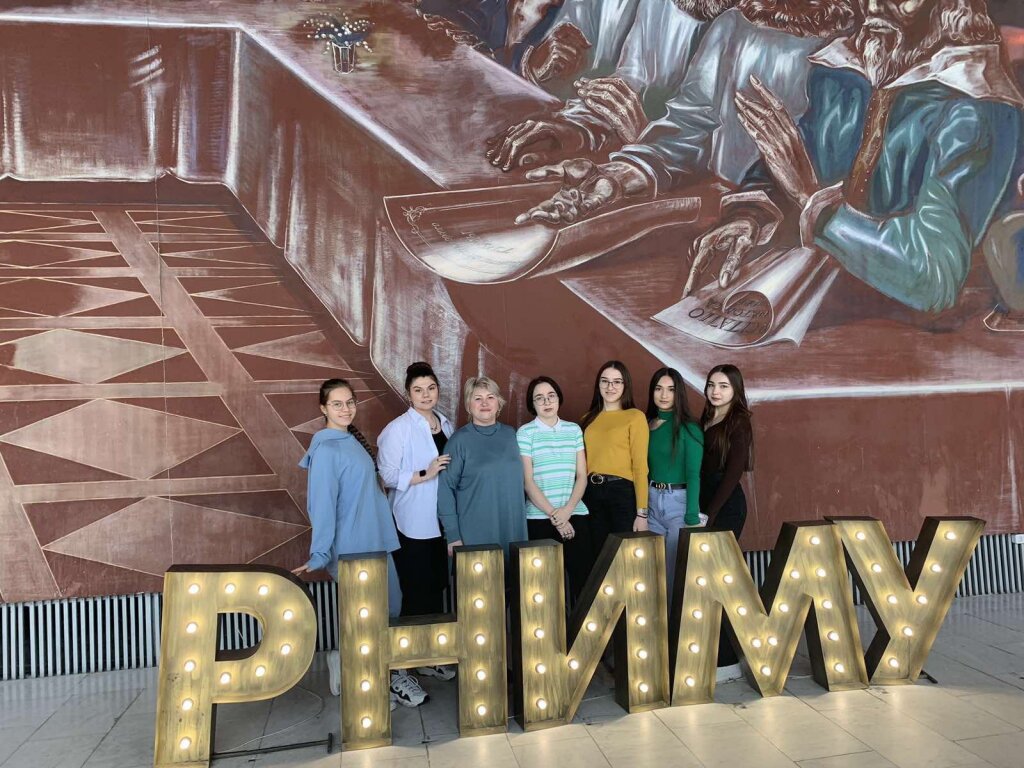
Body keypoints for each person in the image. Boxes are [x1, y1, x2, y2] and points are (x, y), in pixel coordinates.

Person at [691, 0, 1024, 310]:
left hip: (915, 331)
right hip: (825, 297)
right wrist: (750, 215)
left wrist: (812, 201)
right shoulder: (844, 75)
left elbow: (934, 279)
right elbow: (798, 161)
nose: (875, 5)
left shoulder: (973, 109)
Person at [292, 379, 426, 708]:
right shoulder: (325, 450)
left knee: (390, 609)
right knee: (367, 618)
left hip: (377, 540)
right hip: (353, 548)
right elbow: (321, 504)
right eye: (337, 404)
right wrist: (320, 552)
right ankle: (371, 685)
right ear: (323, 408)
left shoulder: (351, 440)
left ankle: (373, 671)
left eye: (350, 402)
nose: (345, 409)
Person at [377, 362, 457, 683]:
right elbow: (387, 475)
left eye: (431, 388)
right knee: (415, 592)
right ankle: (403, 666)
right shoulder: (397, 429)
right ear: (408, 394)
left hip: (442, 522)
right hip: (412, 521)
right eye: (418, 390)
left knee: (436, 588)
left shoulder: (446, 424)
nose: (426, 395)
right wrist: (426, 472)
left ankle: (429, 657)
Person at [518, 376, 594, 604]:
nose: (546, 402)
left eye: (551, 396)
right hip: (539, 518)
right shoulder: (525, 433)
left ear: (559, 398)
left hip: (575, 514)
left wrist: (567, 511)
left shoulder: (573, 430)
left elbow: (582, 476)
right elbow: (528, 481)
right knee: (544, 590)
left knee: (583, 582)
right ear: (532, 404)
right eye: (539, 398)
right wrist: (556, 517)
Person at [699, 364, 753, 681]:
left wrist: (711, 514)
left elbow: (733, 475)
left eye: (723, 386)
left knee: (721, 580)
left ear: (735, 390)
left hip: (726, 507)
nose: (715, 391)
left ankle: (728, 660)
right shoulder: (706, 419)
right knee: (707, 580)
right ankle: (712, 651)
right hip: (706, 508)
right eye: (711, 385)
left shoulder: (739, 421)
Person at [437, 376, 527, 563]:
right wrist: (452, 535)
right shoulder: (459, 441)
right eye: (478, 398)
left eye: (490, 397)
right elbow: (445, 489)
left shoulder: (511, 435)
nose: (485, 403)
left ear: (499, 403)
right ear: (468, 406)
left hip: (513, 529)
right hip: (474, 533)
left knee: (515, 578)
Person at [579, 360, 650, 561]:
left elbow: (640, 467)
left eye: (617, 382)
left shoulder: (635, 416)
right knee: (598, 557)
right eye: (605, 381)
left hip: (622, 493)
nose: (610, 387)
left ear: (625, 385)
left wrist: (642, 514)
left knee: (624, 557)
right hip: (591, 492)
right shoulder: (587, 419)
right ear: (598, 384)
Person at [645, 367, 704, 599]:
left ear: (678, 393)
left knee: (674, 574)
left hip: (678, 503)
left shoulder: (689, 428)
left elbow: (693, 474)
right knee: (652, 574)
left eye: (670, 389)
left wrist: (692, 516)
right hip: (651, 502)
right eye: (658, 388)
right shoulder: (645, 425)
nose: (664, 395)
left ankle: (674, 621)